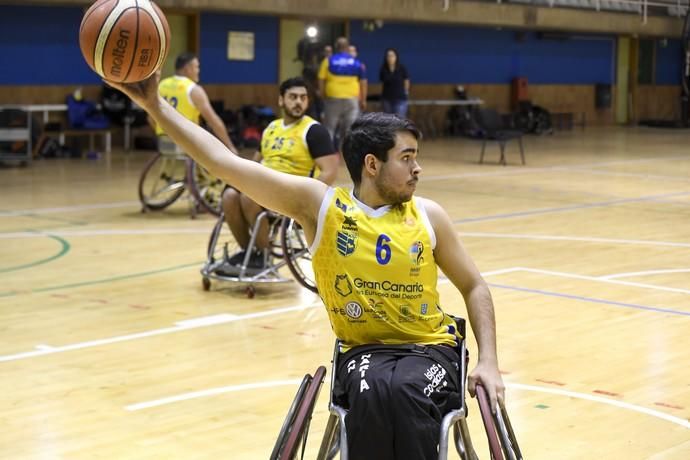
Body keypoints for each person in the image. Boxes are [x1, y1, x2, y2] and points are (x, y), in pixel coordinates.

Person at [108, 74, 504, 460]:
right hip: (363, 352)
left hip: (430, 349)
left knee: (405, 394)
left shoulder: (429, 215)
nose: (418, 169)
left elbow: (474, 286)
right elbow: (223, 163)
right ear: (372, 164)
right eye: (407, 158)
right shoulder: (323, 208)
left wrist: (489, 360)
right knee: (371, 398)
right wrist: (154, 105)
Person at [219, 77, 339, 274]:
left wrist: (308, 197)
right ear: (281, 100)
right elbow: (255, 162)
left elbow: (330, 170)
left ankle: (262, 256)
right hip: (263, 185)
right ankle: (251, 253)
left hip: (289, 190)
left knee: (248, 197)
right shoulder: (271, 128)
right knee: (229, 196)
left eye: (303, 97)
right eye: (293, 97)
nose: (299, 102)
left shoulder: (314, 130)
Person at [155, 52, 236, 150]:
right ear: (188, 69)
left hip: (164, 143)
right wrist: (229, 146)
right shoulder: (193, 89)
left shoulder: (161, 85)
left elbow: (150, 118)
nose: (198, 70)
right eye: (197, 67)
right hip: (186, 143)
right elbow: (213, 121)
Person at [318, 37, 368, 148]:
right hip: (352, 100)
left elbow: (321, 80)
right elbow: (363, 83)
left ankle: (328, 156)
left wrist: (322, 95)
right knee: (349, 131)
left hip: (333, 99)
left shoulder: (328, 61)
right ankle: (345, 159)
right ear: (347, 48)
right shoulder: (357, 63)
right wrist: (363, 100)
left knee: (329, 129)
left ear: (336, 47)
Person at [379, 48, 410, 118]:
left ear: (396, 57)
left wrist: (406, 92)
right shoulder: (383, 69)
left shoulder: (401, 68)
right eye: (388, 56)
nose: (390, 58)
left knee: (399, 121)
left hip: (400, 99)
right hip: (387, 99)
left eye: (392, 56)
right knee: (388, 122)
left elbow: (406, 80)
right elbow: (382, 82)